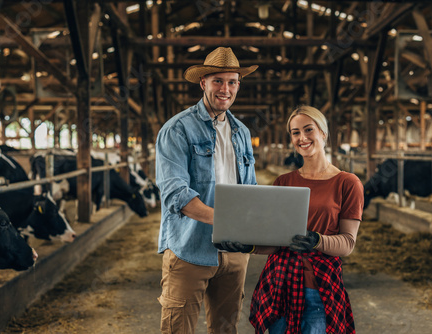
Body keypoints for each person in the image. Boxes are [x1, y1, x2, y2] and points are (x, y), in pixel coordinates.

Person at [221, 105, 363, 333]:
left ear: (323, 133)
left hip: (319, 285)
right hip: (280, 282)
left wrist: (317, 240)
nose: (302, 138)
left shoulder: (347, 183)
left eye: (308, 130)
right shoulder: (284, 182)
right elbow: (278, 241)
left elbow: (347, 243)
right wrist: (249, 246)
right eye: (296, 133)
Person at [155, 47, 258, 333]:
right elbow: (176, 194)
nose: (226, 89)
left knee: (226, 330)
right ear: (203, 83)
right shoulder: (177, 129)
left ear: (239, 84)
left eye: (233, 81)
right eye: (218, 81)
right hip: (190, 249)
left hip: (235, 253)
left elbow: (250, 189)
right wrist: (227, 220)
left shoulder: (242, 132)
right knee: (179, 329)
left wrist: (262, 226)